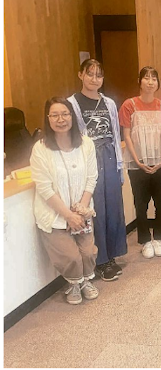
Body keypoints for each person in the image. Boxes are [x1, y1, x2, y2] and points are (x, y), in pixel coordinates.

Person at [30, 97, 99, 305]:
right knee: (70, 257)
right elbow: (44, 188)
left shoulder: (86, 143)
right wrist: (68, 215)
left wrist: (81, 209)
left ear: (72, 116)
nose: (61, 119)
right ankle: (74, 283)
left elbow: (91, 178)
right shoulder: (40, 149)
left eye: (65, 114)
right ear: (48, 118)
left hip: (82, 211)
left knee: (88, 253)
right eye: (55, 115)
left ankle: (86, 281)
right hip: (55, 215)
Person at [68, 59, 127, 282]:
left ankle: (112, 255)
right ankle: (99, 260)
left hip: (110, 157)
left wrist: (119, 166)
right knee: (96, 210)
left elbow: (115, 135)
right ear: (80, 74)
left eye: (99, 75)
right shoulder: (72, 103)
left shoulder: (109, 103)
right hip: (89, 160)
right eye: (90, 74)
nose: (94, 79)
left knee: (113, 208)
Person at [119, 67, 161, 259]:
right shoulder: (129, 105)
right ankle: (144, 241)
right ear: (139, 81)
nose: (150, 82)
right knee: (140, 204)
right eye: (146, 78)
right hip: (137, 163)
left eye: (154, 79)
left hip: (160, 162)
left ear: (158, 83)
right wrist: (137, 161)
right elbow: (126, 135)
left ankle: (158, 238)